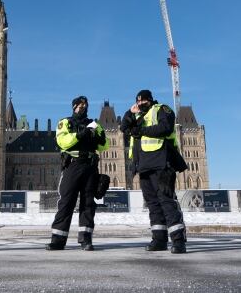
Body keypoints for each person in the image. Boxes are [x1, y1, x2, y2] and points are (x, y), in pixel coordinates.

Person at [121, 89, 188, 253]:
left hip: (161, 163)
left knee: (167, 201)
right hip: (143, 166)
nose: (141, 104)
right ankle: (159, 239)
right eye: (138, 102)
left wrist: (141, 130)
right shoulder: (138, 116)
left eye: (143, 101)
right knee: (153, 205)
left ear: (150, 100)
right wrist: (130, 112)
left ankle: (178, 241)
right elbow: (124, 127)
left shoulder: (161, 109)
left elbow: (165, 128)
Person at [46, 96, 108, 251]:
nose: (83, 108)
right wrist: (81, 135)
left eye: (85, 106)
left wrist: (98, 137)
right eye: (80, 106)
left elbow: (103, 146)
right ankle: (58, 240)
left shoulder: (94, 124)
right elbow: (63, 142)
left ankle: (86, 239)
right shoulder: (65, 122)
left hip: (90, 165)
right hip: (73, 164)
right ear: (74, 107)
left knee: (88, 203)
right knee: (66, 202)